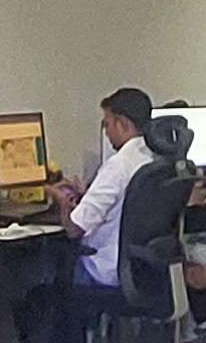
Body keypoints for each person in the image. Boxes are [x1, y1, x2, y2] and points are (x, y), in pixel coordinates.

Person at [52, 86, 156, 292]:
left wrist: (62, 202)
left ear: (122, 123)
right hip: (143, 271)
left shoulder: (119, 165)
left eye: (107, 124)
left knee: (43, 284)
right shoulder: (154, 158)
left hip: (105, 271)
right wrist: (87, 194)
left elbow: (74, 229)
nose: (106, 132)